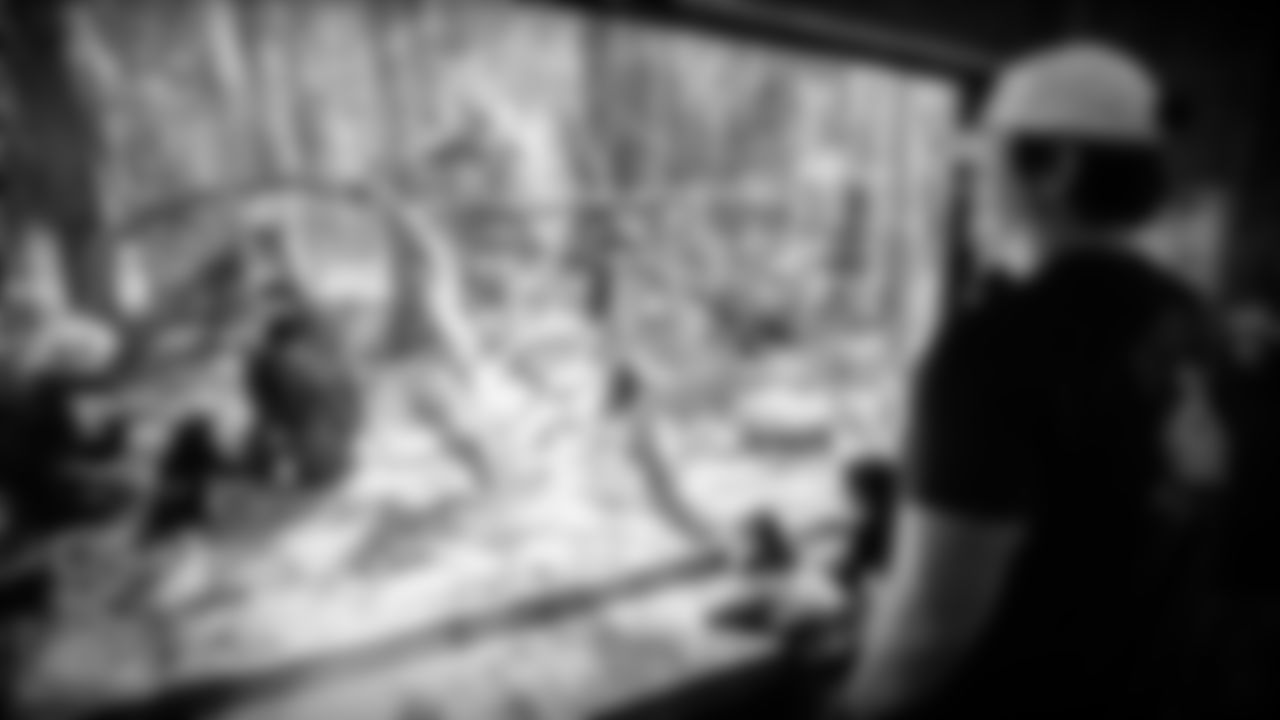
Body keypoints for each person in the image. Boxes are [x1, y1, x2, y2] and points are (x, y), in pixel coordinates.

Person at [825, 41, 1227, 720]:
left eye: (988, 162)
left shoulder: (996, 348)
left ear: (1057, 169)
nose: (972, 187)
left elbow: (930, 630)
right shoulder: (1191, 315)